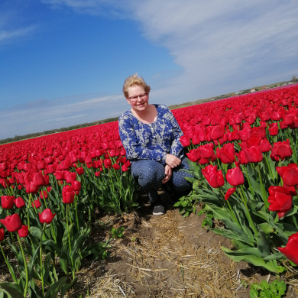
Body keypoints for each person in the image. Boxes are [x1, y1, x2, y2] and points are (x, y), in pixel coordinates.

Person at [118, 74, 193, 215]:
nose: (139, 100)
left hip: (172, 158)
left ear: (148, 94)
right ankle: (154, 198)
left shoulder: (163, 110)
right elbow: (133, 151)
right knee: (150, 173)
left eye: (143, 95)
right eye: (134, 97)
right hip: (146, 163)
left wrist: (170, 161)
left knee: (186, 179)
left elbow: (179, 135)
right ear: (128, 99)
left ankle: (172, 189)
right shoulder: (126, 119)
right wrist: (164, 158)